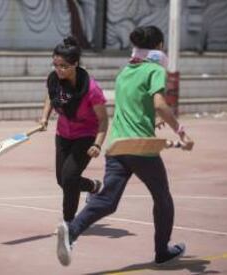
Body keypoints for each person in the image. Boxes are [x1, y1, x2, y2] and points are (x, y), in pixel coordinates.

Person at [56, 26, 194, 266]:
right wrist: (181, 132)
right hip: (140, 147)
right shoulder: (154, 70)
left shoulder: (125, 72)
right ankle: (162, 251)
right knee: (162, 198)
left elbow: (135, 107)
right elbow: (160, 104)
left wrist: (152, 119)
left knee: (108, 200)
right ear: (159, 46)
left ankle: (72, 230)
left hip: (117, 145)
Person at [39, 36, 109, 224]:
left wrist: (97, 144)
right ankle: (93, 186)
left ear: (75, 64)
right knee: (62, 180)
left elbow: (103, 120)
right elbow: (50, 95)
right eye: (56, 65)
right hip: (63, 134)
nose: (59, 70)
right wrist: (45, 117)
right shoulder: (54, 79)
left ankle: (69, 223)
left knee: (69, 178)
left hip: (85, 136)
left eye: (64, 66)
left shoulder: (91, 89)